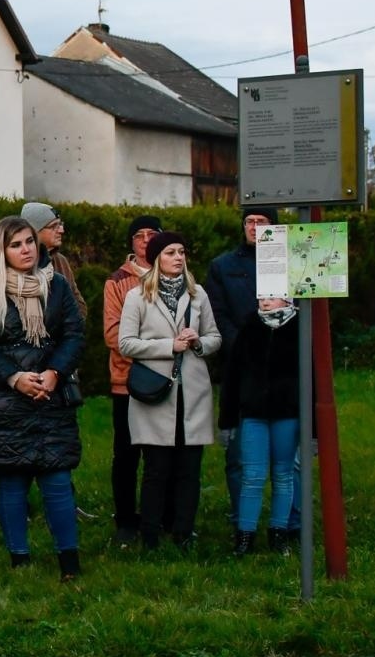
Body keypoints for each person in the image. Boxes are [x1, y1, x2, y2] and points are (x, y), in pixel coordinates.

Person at [0, 216, 85, 580]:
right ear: (2, 251)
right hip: (5, 403)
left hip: (50, 396)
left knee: (57, 481)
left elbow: (74, 334)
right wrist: (13, 377)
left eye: (29, 241)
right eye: (15, 244)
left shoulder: (57, 286)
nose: (26, 249)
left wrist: (55, 372)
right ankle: (20, 561)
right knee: (12, 482)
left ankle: (70, 564)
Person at [118, 231, 221, 551]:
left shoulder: (198, 294)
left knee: (189, 469)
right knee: (157, 469)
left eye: (182, 252)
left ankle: (184, 532)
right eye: (170, 253)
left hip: (193, 393)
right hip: (155, 393)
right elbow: (125, 343)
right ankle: (150, 535)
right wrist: (168, 346)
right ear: (157, 259)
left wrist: (198, 342)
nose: (178, 257)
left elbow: (215, 337)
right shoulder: (137, 297)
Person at [206, 206, 274, 527]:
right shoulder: (223, 266)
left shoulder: (291, 261)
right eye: (250, 221)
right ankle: (241, 520)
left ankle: (286, 522)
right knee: (237, 453)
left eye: (262, 222)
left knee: (288, 454)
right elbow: (217, 314)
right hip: (240, 369)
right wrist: (245, 349)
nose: (254, 227)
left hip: (283, 366)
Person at [223, 297, 301, 556]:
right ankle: (245, 535)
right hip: (254, 413)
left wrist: (311, 432)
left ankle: (279, 532)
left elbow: (311, 377)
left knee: (283, 474)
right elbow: (233, 375)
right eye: (262, 295)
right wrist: (228, 419)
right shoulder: (250, 326)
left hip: (287, 413)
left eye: (272, 295)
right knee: (252, 476)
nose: (264, 301)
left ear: (287, 298)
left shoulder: (300, 327)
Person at [102, 214, 161, 545]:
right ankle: (125, 519)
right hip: (127, 380)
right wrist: (159, 347)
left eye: (152, 234)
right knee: (126, 454)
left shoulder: (174, 275)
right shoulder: (117, 282)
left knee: (161, 454)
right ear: (131, 243)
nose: (145, 240)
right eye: (139, 235)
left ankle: (158, 517)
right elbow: (113, 334)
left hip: (167, 380)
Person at [21, 202, 88, 319]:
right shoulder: (19, 263)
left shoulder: (61, 261)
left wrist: (70, 330)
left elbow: (78, 304)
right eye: (54, 226)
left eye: (60, 224)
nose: (61, 230)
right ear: (34, 231)